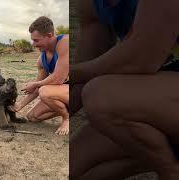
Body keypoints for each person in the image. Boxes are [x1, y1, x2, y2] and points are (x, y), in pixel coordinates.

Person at [71, 0, 179, 179]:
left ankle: (170, 172)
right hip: (154, 101)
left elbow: (141, 58)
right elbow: (80, 81)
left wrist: (65, 74)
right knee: (73, 167)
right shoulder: (89, 4)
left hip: (152, 97)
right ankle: (163, 153)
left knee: (102, 97)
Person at [9, 16, 69, 135]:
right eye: (32, 40)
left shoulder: (65, 42)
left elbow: (59, 78)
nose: (33, 44)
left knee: (45, 91)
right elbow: (36, 89)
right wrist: (20, 105)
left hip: (82, 90)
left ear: (49, 35)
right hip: (65, 93)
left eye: (36, 40)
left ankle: (66, 118)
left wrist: (36, 84)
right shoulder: (41, 60)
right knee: (33, 116)